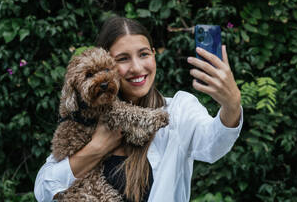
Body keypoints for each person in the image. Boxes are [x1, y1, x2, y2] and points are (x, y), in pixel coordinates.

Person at [34, 16, 243, 202]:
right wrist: (96, 148)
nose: (136, 67)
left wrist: (231, 105)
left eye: (143, 54)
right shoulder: (87, 116)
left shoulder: (178, 110)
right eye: (122, 59)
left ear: (154, 55)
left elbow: (213, 145)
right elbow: (44, 189)